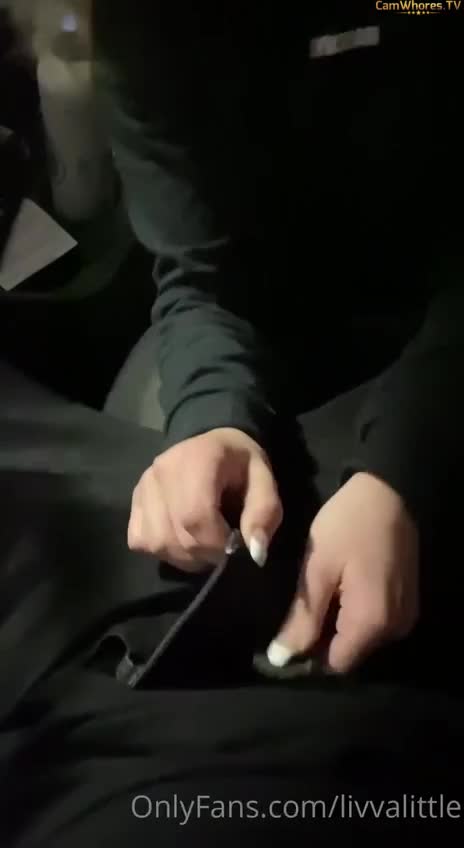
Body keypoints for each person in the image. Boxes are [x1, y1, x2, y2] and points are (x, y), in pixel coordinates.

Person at [94, 0, 463, 673]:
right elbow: (202, 275)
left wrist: (404, 469)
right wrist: (211, 422)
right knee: (154, 530)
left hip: (437, 323)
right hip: (262, 334)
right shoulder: (143, 17)